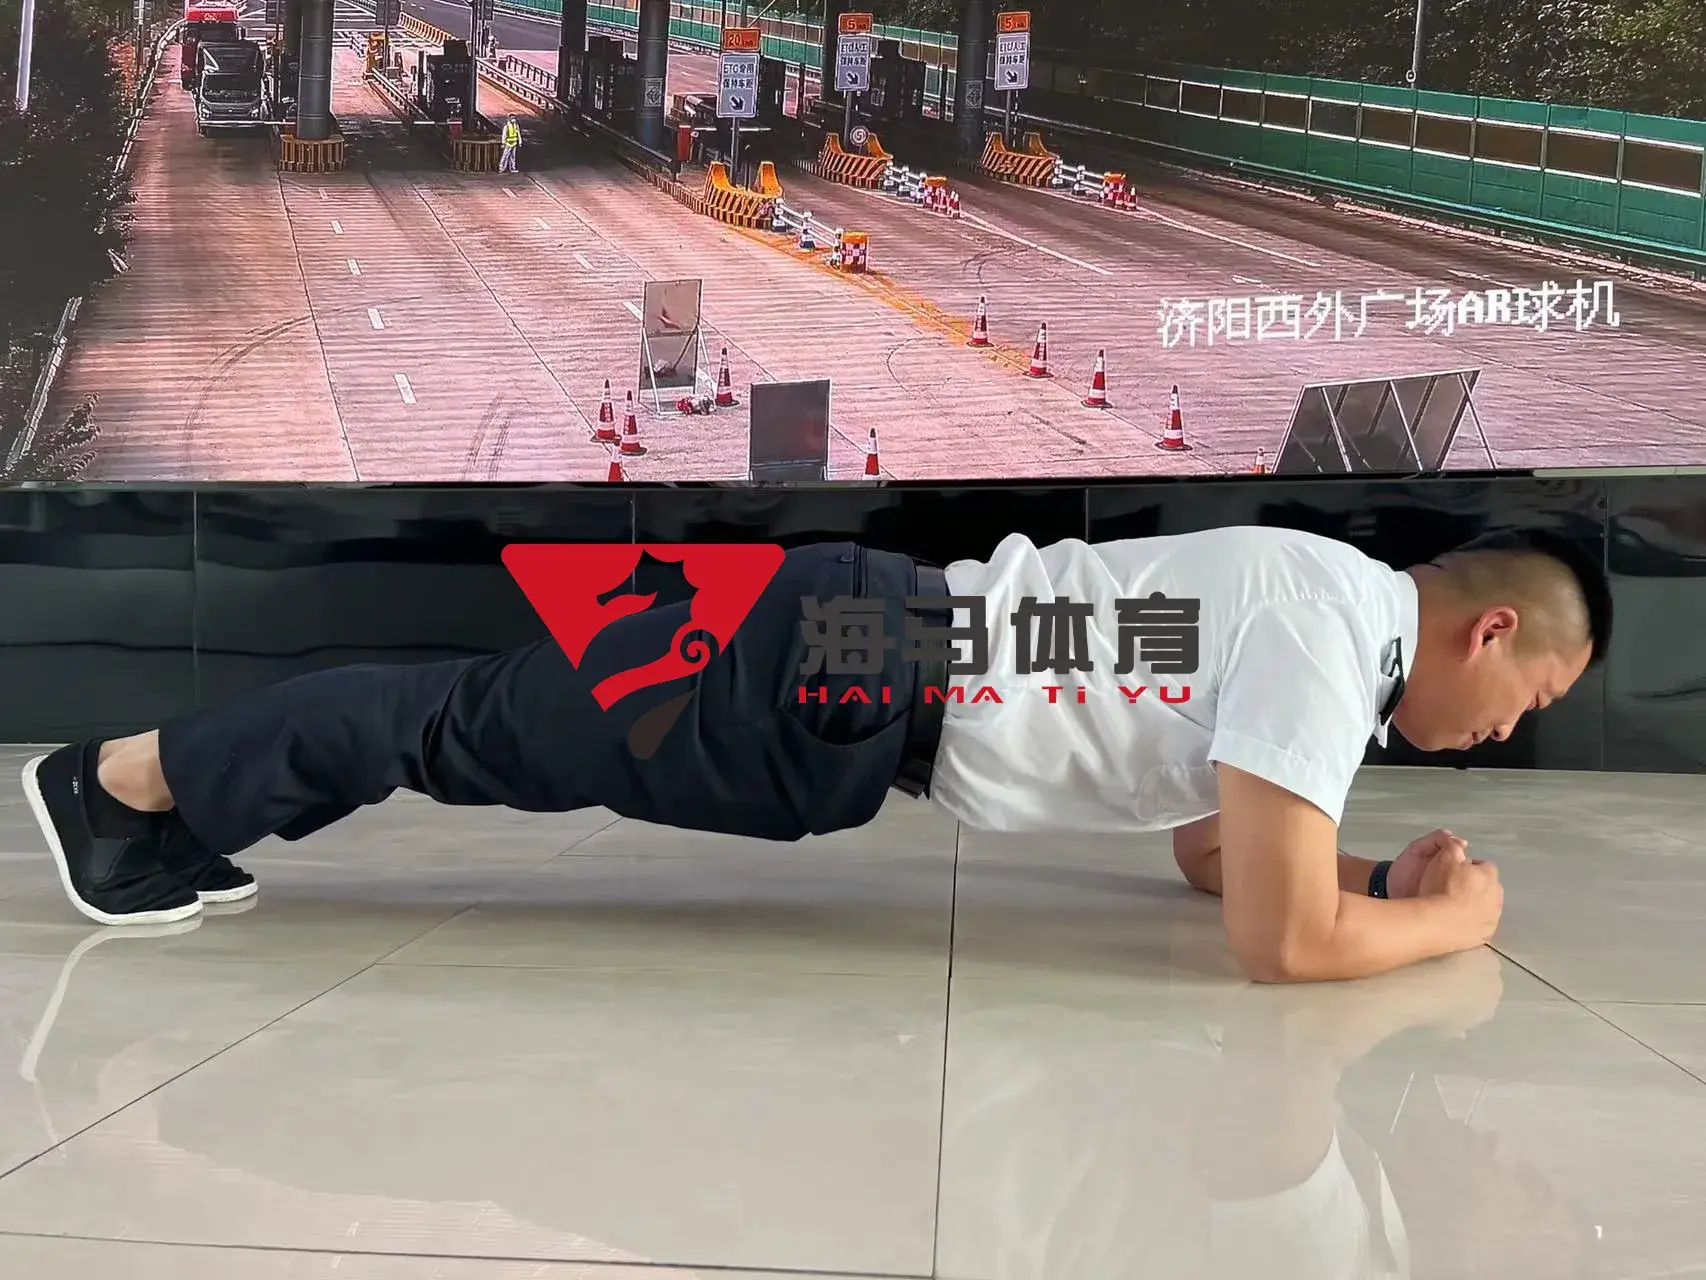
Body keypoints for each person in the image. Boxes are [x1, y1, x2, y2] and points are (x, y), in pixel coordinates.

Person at [22, 526, 1610, 983]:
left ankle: (163, 798)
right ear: (1488, 633)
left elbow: (1215, 860)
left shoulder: (1322, 606)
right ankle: (120, 787)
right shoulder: (1330, 638)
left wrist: (1365, 882)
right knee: (462, 727)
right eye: (1527, 699)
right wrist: (1451, 921)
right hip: (843, 675)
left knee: (469, 721)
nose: (1504, 735)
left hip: (852, 655)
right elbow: (1278, 944)